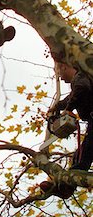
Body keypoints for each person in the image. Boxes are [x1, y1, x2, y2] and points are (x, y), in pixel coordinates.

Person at [40, 62, 93, 198]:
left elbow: (81, 89)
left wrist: (68, 109)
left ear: (65, 66)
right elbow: (72, 96)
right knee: (82, 155)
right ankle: (67, 185)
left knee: (84, 154)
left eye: (59, 72)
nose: (60, 77)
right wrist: (58, 106)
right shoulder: (82, 78)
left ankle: (68, 184)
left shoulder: (80, 77)